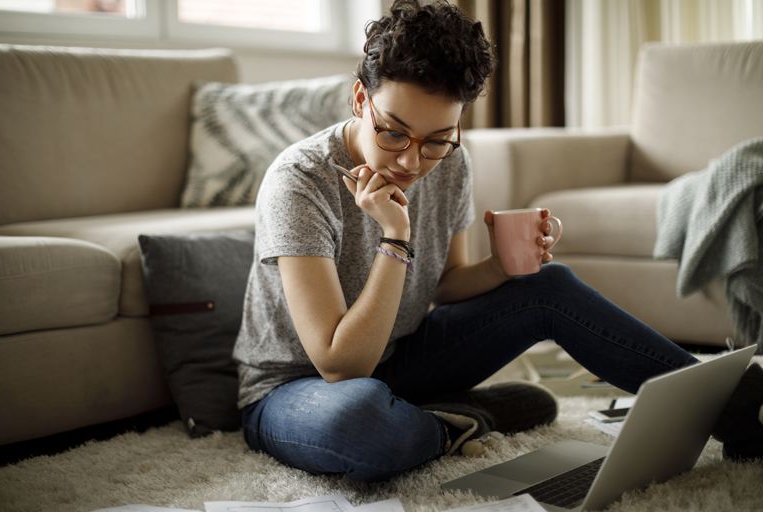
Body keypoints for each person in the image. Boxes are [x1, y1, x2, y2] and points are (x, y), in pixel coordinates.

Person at [234, 0, 763, 482]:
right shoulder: (300, 180)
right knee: (364, 425)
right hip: (296, 389)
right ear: (360, 99)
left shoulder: (451, 163)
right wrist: (395, 238)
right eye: (393, 132)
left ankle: (741, 408)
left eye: (437, 139)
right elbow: (339, 365)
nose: (411, 162)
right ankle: (464, 418)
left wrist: (505, 268)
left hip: (401, 359)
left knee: (547, 284)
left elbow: (444, 287)